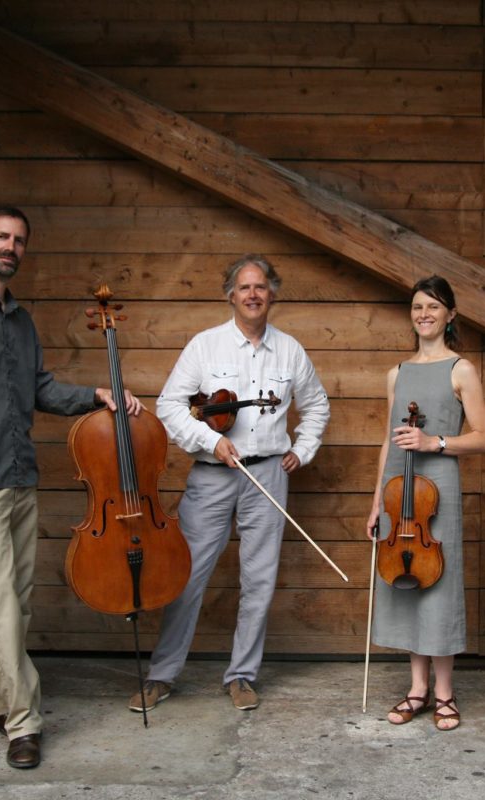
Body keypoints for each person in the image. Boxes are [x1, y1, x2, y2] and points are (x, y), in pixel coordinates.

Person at [0, 205, 142, 769]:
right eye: (1, 237)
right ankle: (24, 724)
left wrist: (96, 396)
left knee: (15, 605)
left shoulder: (21, 321)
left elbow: (40, 389)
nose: (10, 247)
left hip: (22, 478)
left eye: (19, 240)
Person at [130, 254, 330, 712]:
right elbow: (169, 406)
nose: (253, 295)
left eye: (261, 287)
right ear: (230, 295)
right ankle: (162, 674)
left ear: (272, 294)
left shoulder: (290, 350)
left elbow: (316, 406)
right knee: (187, 575)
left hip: (269, 473)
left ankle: (241, 675)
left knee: (259, 579)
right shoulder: (205, 346)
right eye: (244, 288)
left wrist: (303, 448)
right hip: (213, 474)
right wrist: (208, 440)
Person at [365, 276, 485, 731]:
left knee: (438, 586)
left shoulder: (461, 369)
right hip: (399, 495)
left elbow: (483, 438)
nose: (424, 314)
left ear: (450, 314)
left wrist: (433, 441)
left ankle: (445, 693)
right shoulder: (396, 373)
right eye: (418, 306)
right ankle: (416, 690)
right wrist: (377, 500)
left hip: (438, 489)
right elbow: (388, 439)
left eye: (434, 307)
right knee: (407, 583)